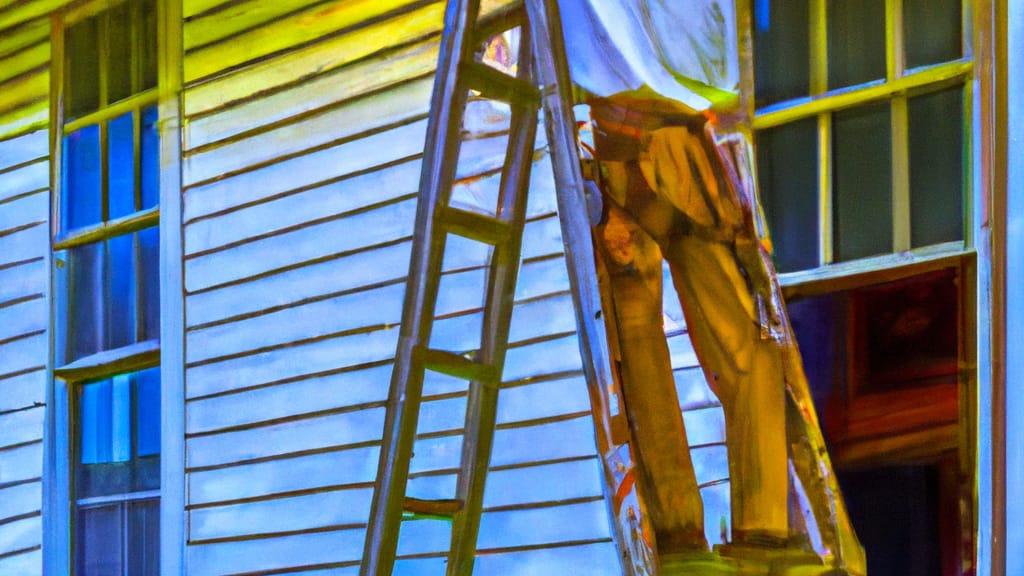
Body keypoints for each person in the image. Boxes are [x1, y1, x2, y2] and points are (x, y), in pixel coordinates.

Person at [555, 1, 866, 574]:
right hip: (617, 144)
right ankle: (691, 536)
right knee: (650, 355)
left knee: (733, 344)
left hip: (662, 141)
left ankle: (756, 533)